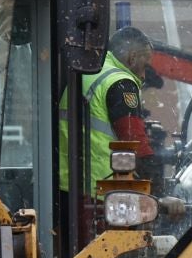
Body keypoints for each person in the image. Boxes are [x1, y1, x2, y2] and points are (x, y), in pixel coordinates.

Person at [58, 25, 155, 196]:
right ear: (132, 58)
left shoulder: (91, 72)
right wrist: (156, 191)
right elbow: (135, 143)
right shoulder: (121, 82)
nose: (144, 76)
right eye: (145, 66)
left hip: (68, 182)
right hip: (102, 190)